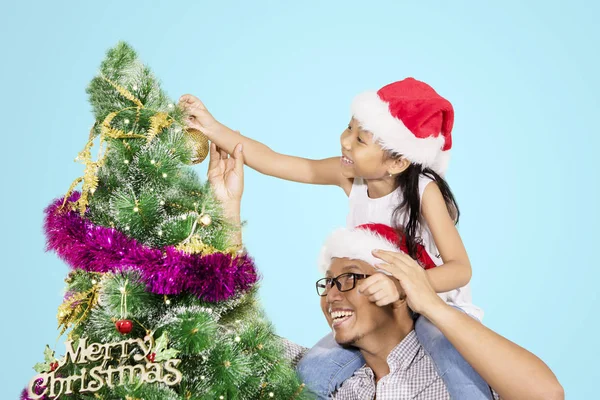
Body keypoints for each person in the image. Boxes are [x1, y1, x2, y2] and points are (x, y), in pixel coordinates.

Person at [180, 78, 486, 398]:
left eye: (361, 139)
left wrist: (403, 285)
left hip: (434, 302)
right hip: (378, 311)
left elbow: (460, 269)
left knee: (459, 363)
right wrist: (212, 128)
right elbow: (275, 161)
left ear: (397, 161)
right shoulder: (350, 178)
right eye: (348, 128)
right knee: (312, 371)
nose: (345, 141)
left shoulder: (424, 191)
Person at [206, 141, 564, 400]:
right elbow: (232, 336)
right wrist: (226, 213)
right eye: (328, 282)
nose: (332, 294)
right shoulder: (328, 376)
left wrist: (429, 300)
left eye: (348, 278)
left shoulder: (458, 370)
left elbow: (546, 394)